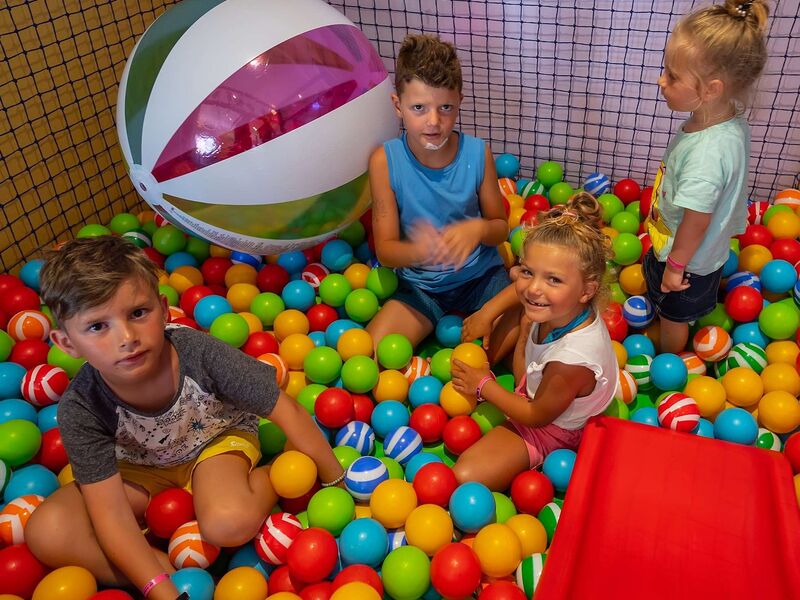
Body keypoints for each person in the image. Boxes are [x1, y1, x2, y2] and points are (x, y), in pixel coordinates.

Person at [25, 236, 344, 600]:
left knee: (228, 523)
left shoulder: (199, 354)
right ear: (66, 343)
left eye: (138, 313)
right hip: (139, 469)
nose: (126, 337)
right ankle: (169, 572)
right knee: (47, 530)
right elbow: (110, 515)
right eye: (98, 327)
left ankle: (273, 472)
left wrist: (335, 481)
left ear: (163, 310)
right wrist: (164, 591)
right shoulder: (81, 406)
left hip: (215, 441)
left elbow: (286, 409)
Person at [450, 193, 618, 491]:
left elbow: (536, 415)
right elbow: (521, 291)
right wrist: (487, 313)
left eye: (554, 279)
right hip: (538, 379)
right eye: (528, 271)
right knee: (526, 308)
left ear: (587, 291)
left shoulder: (572, 361)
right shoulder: (563, 304)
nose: (535, 287)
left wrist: (483, 385)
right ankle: (506, 363)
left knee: (465, 476)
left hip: (550, 425)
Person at [367, 33, 510, 349]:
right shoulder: (384, 162)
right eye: (419, 107)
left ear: (460, 101)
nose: (433, 121)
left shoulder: (477, 153)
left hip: (482, 278)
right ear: (398, 105)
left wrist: (478, 229)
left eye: (445, 107)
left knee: (521, 336)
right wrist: (420, 250)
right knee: (370, 352)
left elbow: (501, 228)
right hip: (422, 289)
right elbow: (386, 251)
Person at [643, 0, 770, 354]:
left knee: (673, 315)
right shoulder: (728, 120)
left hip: (687, 263)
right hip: (701, 252)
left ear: (711, 89)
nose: (661, 80)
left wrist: (675, 268)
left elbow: (697, 221)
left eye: (672, 75)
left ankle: (670, 355)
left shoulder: (706, 156)